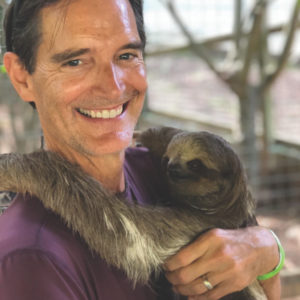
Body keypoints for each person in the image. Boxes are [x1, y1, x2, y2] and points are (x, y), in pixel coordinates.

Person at [0, 0, 282, 299]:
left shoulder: (156, 171)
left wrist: (268, 249)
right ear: (21, 76)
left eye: (126, 55)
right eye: (75, 62)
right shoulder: (33, 258)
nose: (112, 86)